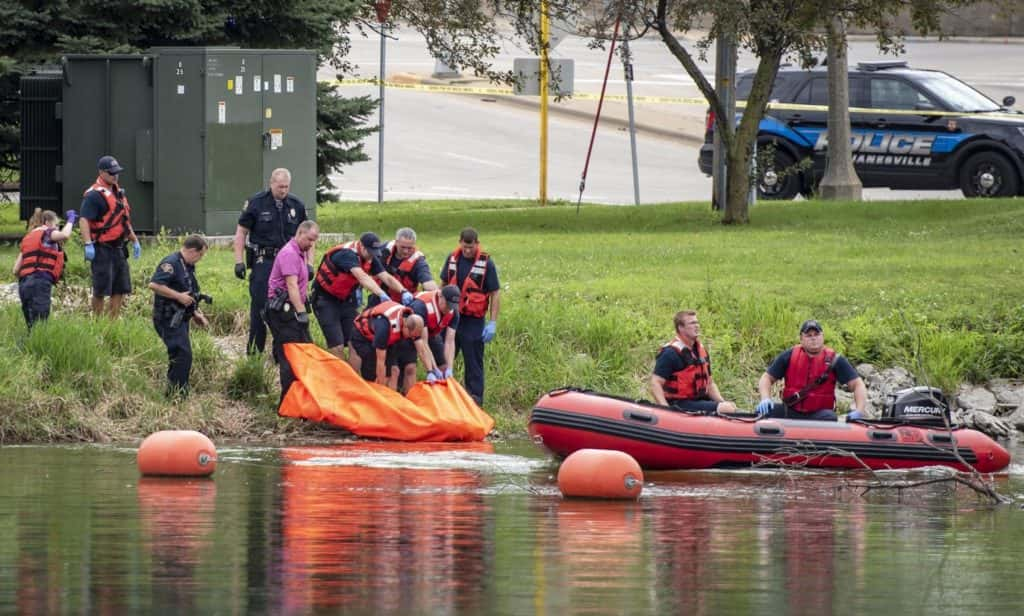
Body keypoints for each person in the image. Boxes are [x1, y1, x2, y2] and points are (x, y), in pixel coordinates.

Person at [233, 168, 309, 355]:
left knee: (285, 308)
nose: (283, 190)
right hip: (264, 261)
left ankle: (281, 354)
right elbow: (241, 232)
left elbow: (307, 236)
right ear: (271, 183)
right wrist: (238, 261)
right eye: (280, 186)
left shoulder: (296, 204)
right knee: (260, 307)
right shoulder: (256, 203)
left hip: (289, 263)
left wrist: (309, 263)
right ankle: (254, 353)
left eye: (286, 187)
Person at [311, 232, 409, 365]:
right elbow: (362, 277)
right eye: (370, 252)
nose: (372, 257)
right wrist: (381, 294)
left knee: (355, 342)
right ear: (361, 247)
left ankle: (354, 379)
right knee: (337, 345)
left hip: (346, 300)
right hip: (326, 300)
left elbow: (386, 277)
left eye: (375, 253)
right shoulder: (347, 254)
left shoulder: (370, 257)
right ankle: (340, 381)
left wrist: (403, 291)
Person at [755, 320, 868, 421]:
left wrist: (860, 410)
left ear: (822, 336)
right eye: (808, 335)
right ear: (801, 339)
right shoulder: (788, 356)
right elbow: (766, 378)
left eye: (816, 334)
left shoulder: (835, 360)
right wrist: (765, 398)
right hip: (790, 412)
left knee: (831, 417)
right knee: (762, 413)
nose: (813, 338)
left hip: (820, 415)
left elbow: (858, 384)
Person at [443, 227, 500, 405]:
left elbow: (495, 293)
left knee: (473, 362)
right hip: (452, 316)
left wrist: (492, 322)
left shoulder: (486, 264)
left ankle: (475, 401)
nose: (468, 251)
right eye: (465, 247)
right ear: (460, 243)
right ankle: (443, 398)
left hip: (473, 321)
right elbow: (443, 284)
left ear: (477, 243)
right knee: (444, 358)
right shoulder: (452, 259)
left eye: (471, 247)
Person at [79, 155, 141, 318]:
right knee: (100, 289)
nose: (115, 176)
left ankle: (112, 322)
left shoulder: (118, 193)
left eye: (117, 172)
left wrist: (134, 240)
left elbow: (123, 220)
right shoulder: (94, 195)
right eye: (112, 173)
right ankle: (98, 322)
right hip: (102, 248)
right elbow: (84, 219)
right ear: (101, 172)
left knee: (120, 287)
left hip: (119, 248)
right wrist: (88, 244)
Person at [148, 235, 209, 397]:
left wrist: (196, 313)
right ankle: (177, 394)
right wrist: (178, 296)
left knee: (179, 354)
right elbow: (154, 285)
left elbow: (188, 290)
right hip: (167, 318)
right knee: (182, 354)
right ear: (191, 250)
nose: (200, 259)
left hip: (181, 317)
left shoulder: (187, 265)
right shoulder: (172, 263)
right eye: (200, 255)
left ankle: (175, 390)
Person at [265, 221, 319, 405]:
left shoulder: (300, 253)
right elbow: (291, 286)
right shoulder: (289, 254)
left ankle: (303, 400)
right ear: (300, 233)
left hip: (293, 309)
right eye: (309, 239)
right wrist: (301, 312)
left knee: (305, 352)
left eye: (314, 241)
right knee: (290, 356)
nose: (311, 244)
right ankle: (287, 403)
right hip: (284, 312)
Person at [650, 310, 737, 414]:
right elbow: (655, 383)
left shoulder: (701, 351)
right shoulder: (670, 353)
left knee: (729, 406)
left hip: (698, 400)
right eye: (692, 323)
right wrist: (666, 409)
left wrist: (722, 402)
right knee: (726, 409)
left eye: (697, 322)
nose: (697, 326)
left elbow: (710, 384)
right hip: (679, 403)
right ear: (680, 328)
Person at [13, 208, 76, 328]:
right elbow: (65, 235)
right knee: (41, 324)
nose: (57, 228)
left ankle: (31, 345)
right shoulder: (47, 233)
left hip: (24, 284)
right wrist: (71, 220)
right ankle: (40, 346)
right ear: (47, 223)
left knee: (31, 325)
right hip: (40, 283)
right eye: (56, 225)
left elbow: (15, 270)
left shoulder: (28, 238)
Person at [393, 285, 461, 392]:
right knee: (410, 368)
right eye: (447, 305)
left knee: (443, 369)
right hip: (412, 332)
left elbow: (450, 341)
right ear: (440, 296)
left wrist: (449, 368)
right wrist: (431, 370)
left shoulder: (453, 311)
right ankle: (406, 396)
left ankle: (442, 399)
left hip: (432, 333)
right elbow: (423, 343)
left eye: (451, 307)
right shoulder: (421, 306)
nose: (449, 309)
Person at [349, 300, 429, 388]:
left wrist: (431, 371)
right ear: (405, 326)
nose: (411, 339)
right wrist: (381, 388)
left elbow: (421, 348)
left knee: (393, 371)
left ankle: (390, 398)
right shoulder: (385, 328)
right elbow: (380, 361)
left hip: (387, 339)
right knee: (373, 371)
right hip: (362, 337)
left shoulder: (411, 321)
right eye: (411, 336)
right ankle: (372, 394)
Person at [367, 227, 438, 307]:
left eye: (409, 248)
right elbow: (365, 259)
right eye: (403, 247)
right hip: (380, 296)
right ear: (396, 242)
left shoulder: (418, 261)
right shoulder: (384, 249)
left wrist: (438, 296)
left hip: (402, 303)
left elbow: (428, 282)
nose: (406, 251)